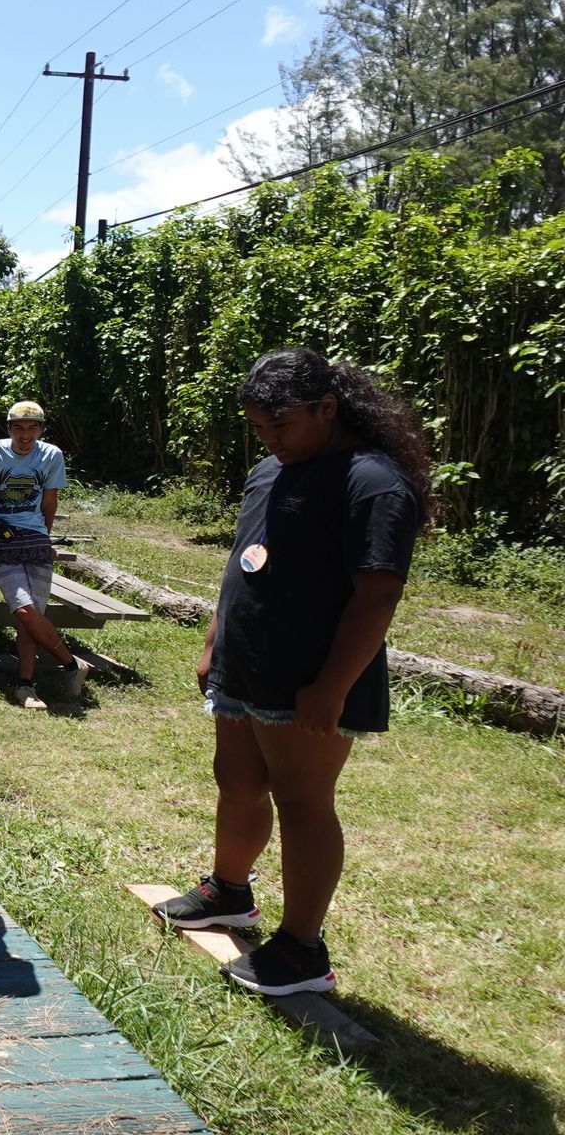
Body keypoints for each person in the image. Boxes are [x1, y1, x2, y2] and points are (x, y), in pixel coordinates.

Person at [153, 348, 430, 996]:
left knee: (304, 805)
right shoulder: (270, 470)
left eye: (281, 424)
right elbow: (245, 558)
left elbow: (377, 594)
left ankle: (303, 950)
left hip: (308, 682)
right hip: (245, 665)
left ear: (326, 409)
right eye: (259, 428)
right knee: (237, 781)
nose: (270, 439)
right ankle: (229, 891)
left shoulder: (372, 481)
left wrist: (331, 686)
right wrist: (214, 640)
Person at [0, 400, 85, 709]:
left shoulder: (51, 455)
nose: (25, 435)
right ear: (8, 429)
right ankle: (72, 665)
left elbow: (50, 501)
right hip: (0, 537)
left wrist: (44, 536)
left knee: (31, 616)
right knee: (23, 608)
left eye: (32, 428)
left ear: (41, 430)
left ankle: (25, 686)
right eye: (18, 428)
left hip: (34, 537)